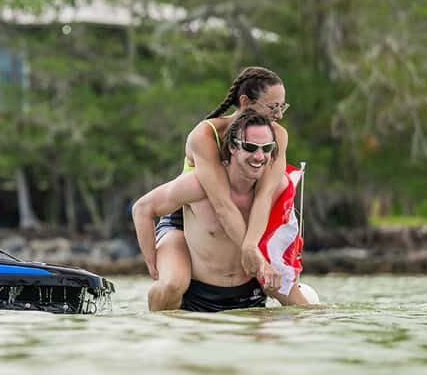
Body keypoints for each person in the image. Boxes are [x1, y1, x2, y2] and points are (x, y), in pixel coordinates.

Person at [132, 111, 311, 311]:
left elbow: (283, 244)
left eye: (267, 148)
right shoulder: (197, 185)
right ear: (232, 147)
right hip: (197, 296)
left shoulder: (278, 189)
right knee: (170, 286)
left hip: (249, 295)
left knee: (302, 308)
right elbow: (142, 209)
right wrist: (152, 266)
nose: (259, 156)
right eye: (250, 147)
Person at [146, 66, 293, 310]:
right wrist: (152, 263)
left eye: (282, 107)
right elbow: (222, 203)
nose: (278, 115)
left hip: (238, 213)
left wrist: (251, 246)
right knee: (173, 284)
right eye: (272, 107)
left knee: (276, 283)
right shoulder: (205, 135)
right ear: (245, 102)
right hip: (188, 216)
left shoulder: (278, 135)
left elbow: (264, 197)